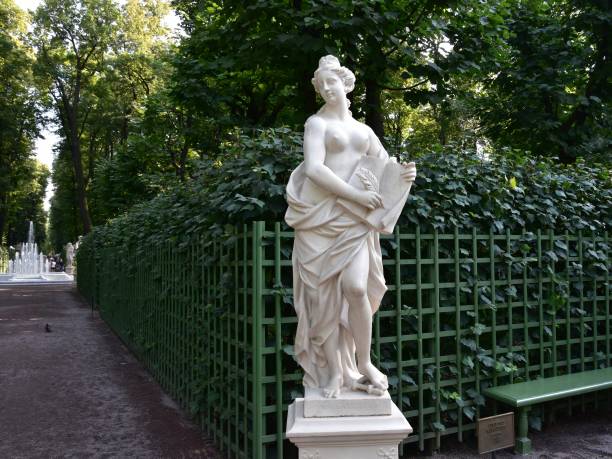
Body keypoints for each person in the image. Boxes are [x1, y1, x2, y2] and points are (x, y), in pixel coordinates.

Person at [285, 55, 417, 398]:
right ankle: (333, 375)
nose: (327, 89)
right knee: (323, 299)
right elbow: (314, 169)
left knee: (356, 288)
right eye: (321, 84)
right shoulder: (317, 124)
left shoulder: (365, 131)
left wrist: (404, 175)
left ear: (346, 84)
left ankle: (364, 362)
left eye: (332, 82)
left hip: (355, 222)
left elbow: (387, 167)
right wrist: (357, 195)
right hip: (320, 218)